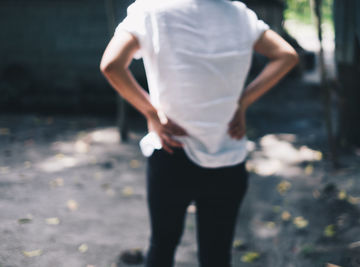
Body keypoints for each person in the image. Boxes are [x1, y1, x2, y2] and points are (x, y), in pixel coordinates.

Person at [100, 0, 298, 266]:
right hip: (229, 155)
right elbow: (287, 55)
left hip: (172, 151)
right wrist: (243, 101)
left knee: (162, 246)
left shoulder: (150, 10)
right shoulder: (239, 14)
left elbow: (112, 65)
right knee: (216, 256)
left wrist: (150, 112)